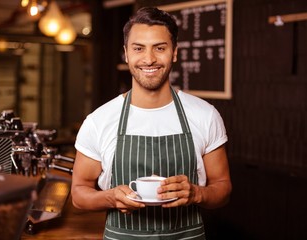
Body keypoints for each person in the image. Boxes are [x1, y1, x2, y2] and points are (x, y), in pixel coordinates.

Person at [71, 7, 232, 240]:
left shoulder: (205, 115)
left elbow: (223, 187)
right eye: (138, 48)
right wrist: (110, 198)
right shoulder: (99, 121)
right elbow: (78, 193)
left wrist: (196, 194)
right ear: (126, 54)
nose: (149, 59)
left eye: (160, 48)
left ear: (174, 53)